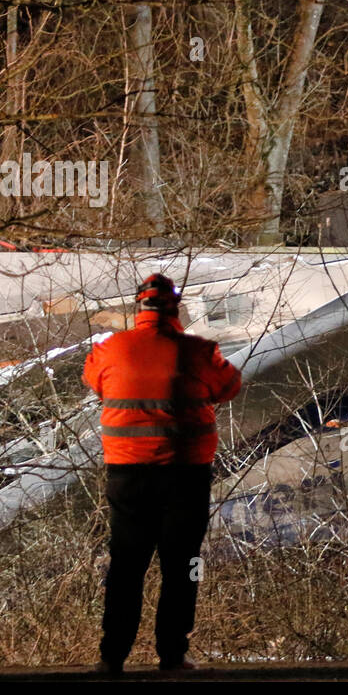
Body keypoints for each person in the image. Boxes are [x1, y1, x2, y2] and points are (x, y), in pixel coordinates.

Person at [83, 273, 242, 674]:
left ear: (139, 308)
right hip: (184, 475)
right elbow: (229, 386)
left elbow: (95, 384)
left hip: (127, 473)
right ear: (176, 309)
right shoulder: (200, 352)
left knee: (126, 564)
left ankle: (112, 656)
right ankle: (172, 654)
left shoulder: (110, 349)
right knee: (182, 563)